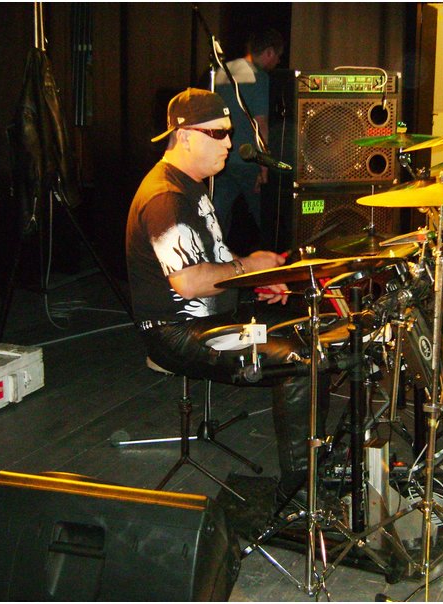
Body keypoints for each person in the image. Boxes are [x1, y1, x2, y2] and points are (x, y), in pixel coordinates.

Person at [126, 88, 326, 505]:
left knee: (310, 330)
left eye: (229, 133)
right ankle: (300, 492)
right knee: (302, 360)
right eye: (218, 133)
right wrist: (248, 267)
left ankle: (316, 462)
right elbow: (189, 282)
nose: (230, 144)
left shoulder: (192, 186)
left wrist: (257, 277)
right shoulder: (166, 197)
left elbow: (214, 258)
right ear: (184, 136)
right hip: (177, 333)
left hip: (211, 319)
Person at [212, 29, 284, 244]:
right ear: (269, 52)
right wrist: (265, 167)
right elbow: (260, 125)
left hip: (221, 160)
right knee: (266, 219)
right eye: (278, 56)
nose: (278, 62)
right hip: (249, 162)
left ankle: (215, 258)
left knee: (216, 220)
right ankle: (273, 258)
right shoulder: (258, 78)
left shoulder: (221, 72)